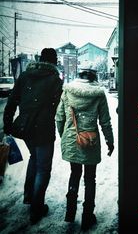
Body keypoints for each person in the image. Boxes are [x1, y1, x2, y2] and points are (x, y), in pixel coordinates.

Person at [3, 48, 63, 224]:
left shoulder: (25, 76)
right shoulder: (55, 80)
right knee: (43, 168)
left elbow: (12, 101)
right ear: (53, 62)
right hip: (44, 129)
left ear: (39, 59)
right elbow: (59, 108)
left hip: (26, 127)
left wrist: (7, 124)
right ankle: (36, 208)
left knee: (34, 159)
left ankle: (29, 196)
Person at [56, 67, 114, 231]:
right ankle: (88, 216)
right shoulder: (98, 94)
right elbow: (105, 121)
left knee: (75, 174)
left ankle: (70, 212)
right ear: (93, 77)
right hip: (90, 141)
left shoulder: (67, 91)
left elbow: (59, 117)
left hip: (72, 139)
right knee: (90, 179)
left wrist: (65, 136)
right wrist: (110, 141)